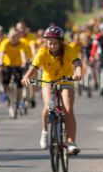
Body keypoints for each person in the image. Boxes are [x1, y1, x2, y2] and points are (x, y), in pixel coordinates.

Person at [22, 25, 83, 155]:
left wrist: (78, 73)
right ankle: (45, 132)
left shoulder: (68, 49)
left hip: (66, 80)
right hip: (48, 81)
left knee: (68, 109)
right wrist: (26, 77)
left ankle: (71, 142)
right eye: (50, 43)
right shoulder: (42, 51)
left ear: (61, 42)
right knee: (49, 105)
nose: (52, 46)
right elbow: (34, 67)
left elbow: (77, 63)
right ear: (45, 42)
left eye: (55, 43)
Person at [0, 28, 31, 118]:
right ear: (9, 36)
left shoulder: (21, 43)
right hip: (7, 65)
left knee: (19, 84)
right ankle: (6, 93)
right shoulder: (5, 43)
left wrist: (24, 61)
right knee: (4, 81)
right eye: (13, 36)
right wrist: (0, 62)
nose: (15, 38)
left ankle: (18, 101)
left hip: (18, 66)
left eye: (16, 36)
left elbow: (23, 54)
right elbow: (1, 54)